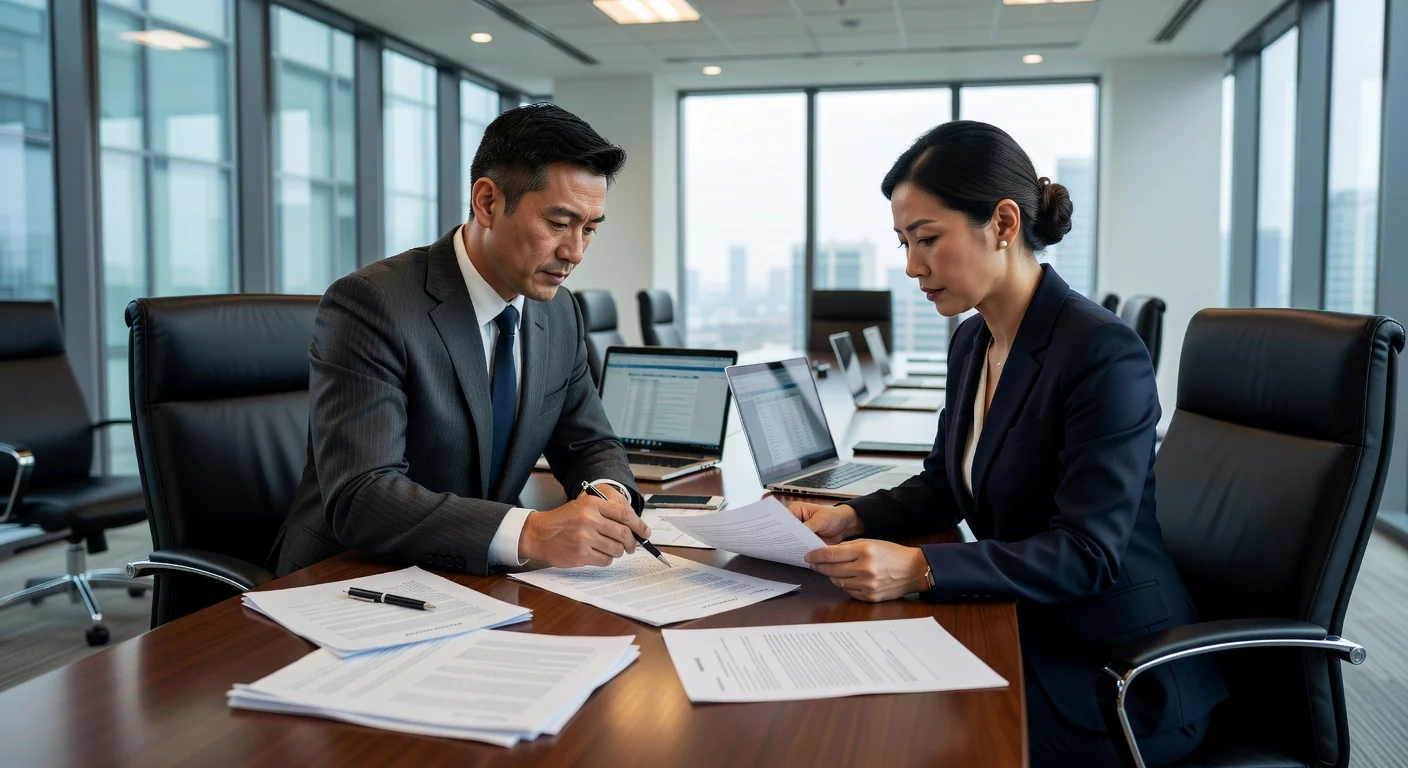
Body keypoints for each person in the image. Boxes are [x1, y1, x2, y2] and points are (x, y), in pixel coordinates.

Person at [787, 121, 1226, 767]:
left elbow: (1088, 552)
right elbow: (945, 483)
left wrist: (922, 568)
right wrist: (851, 516)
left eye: (927, 239)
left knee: (903, 742)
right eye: (904, 243)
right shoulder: (973, 341)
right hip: (1023, 624)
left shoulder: (1101, 351)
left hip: (1113, 671)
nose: (912, 266)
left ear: (1003, 223)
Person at [275, 104, 651, 578]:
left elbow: (589, 443)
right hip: (351, 576)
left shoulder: (559, 312)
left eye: (589, 229)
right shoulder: (372, 304)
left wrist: (609, 497)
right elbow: (363, 495)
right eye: (558, 224)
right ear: (487, 202)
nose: (574, 252)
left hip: (475, 579)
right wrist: (532, 532)